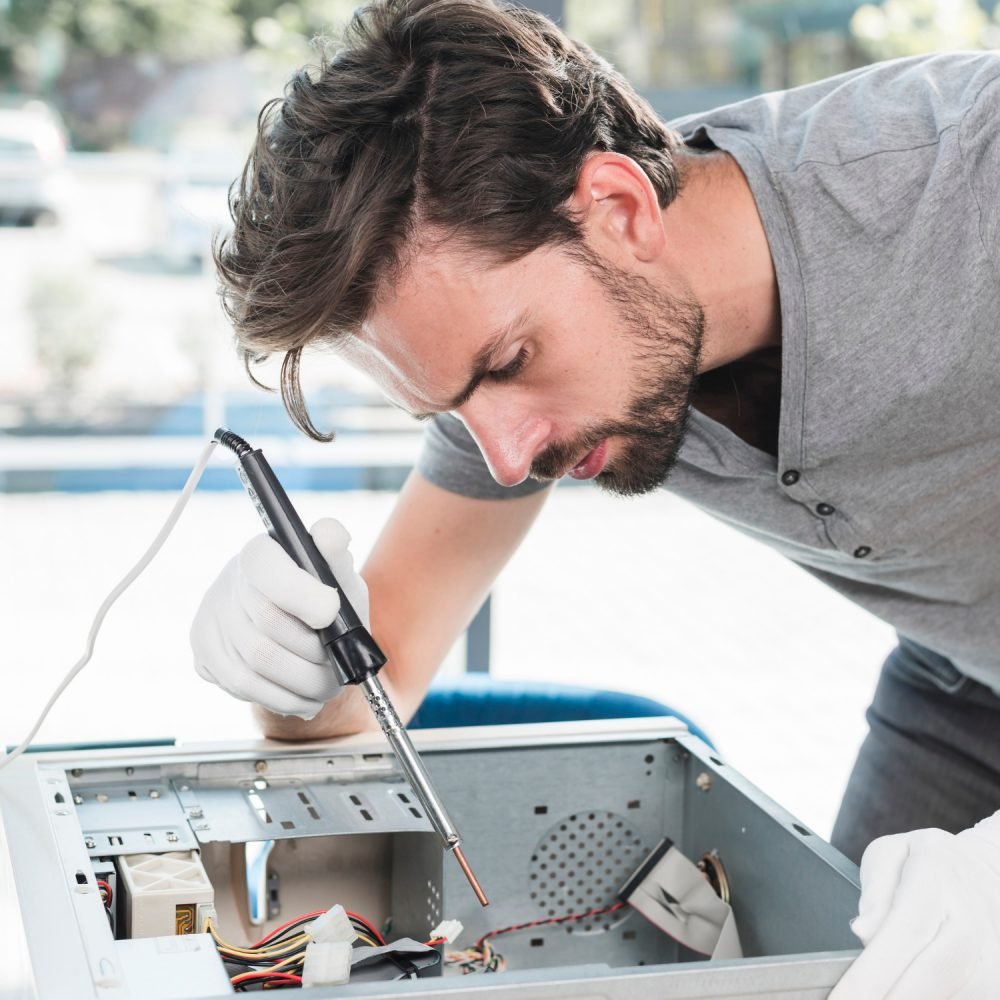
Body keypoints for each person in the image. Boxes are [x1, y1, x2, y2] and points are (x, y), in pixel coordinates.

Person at [190, 1, 1000, 995]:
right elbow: (375, 689)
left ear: (619, 208)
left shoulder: (968, 180)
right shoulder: (510, 377)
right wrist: (288, 679)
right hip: (966, 686)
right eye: (450, 404)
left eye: (509, 362)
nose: (506, 455)